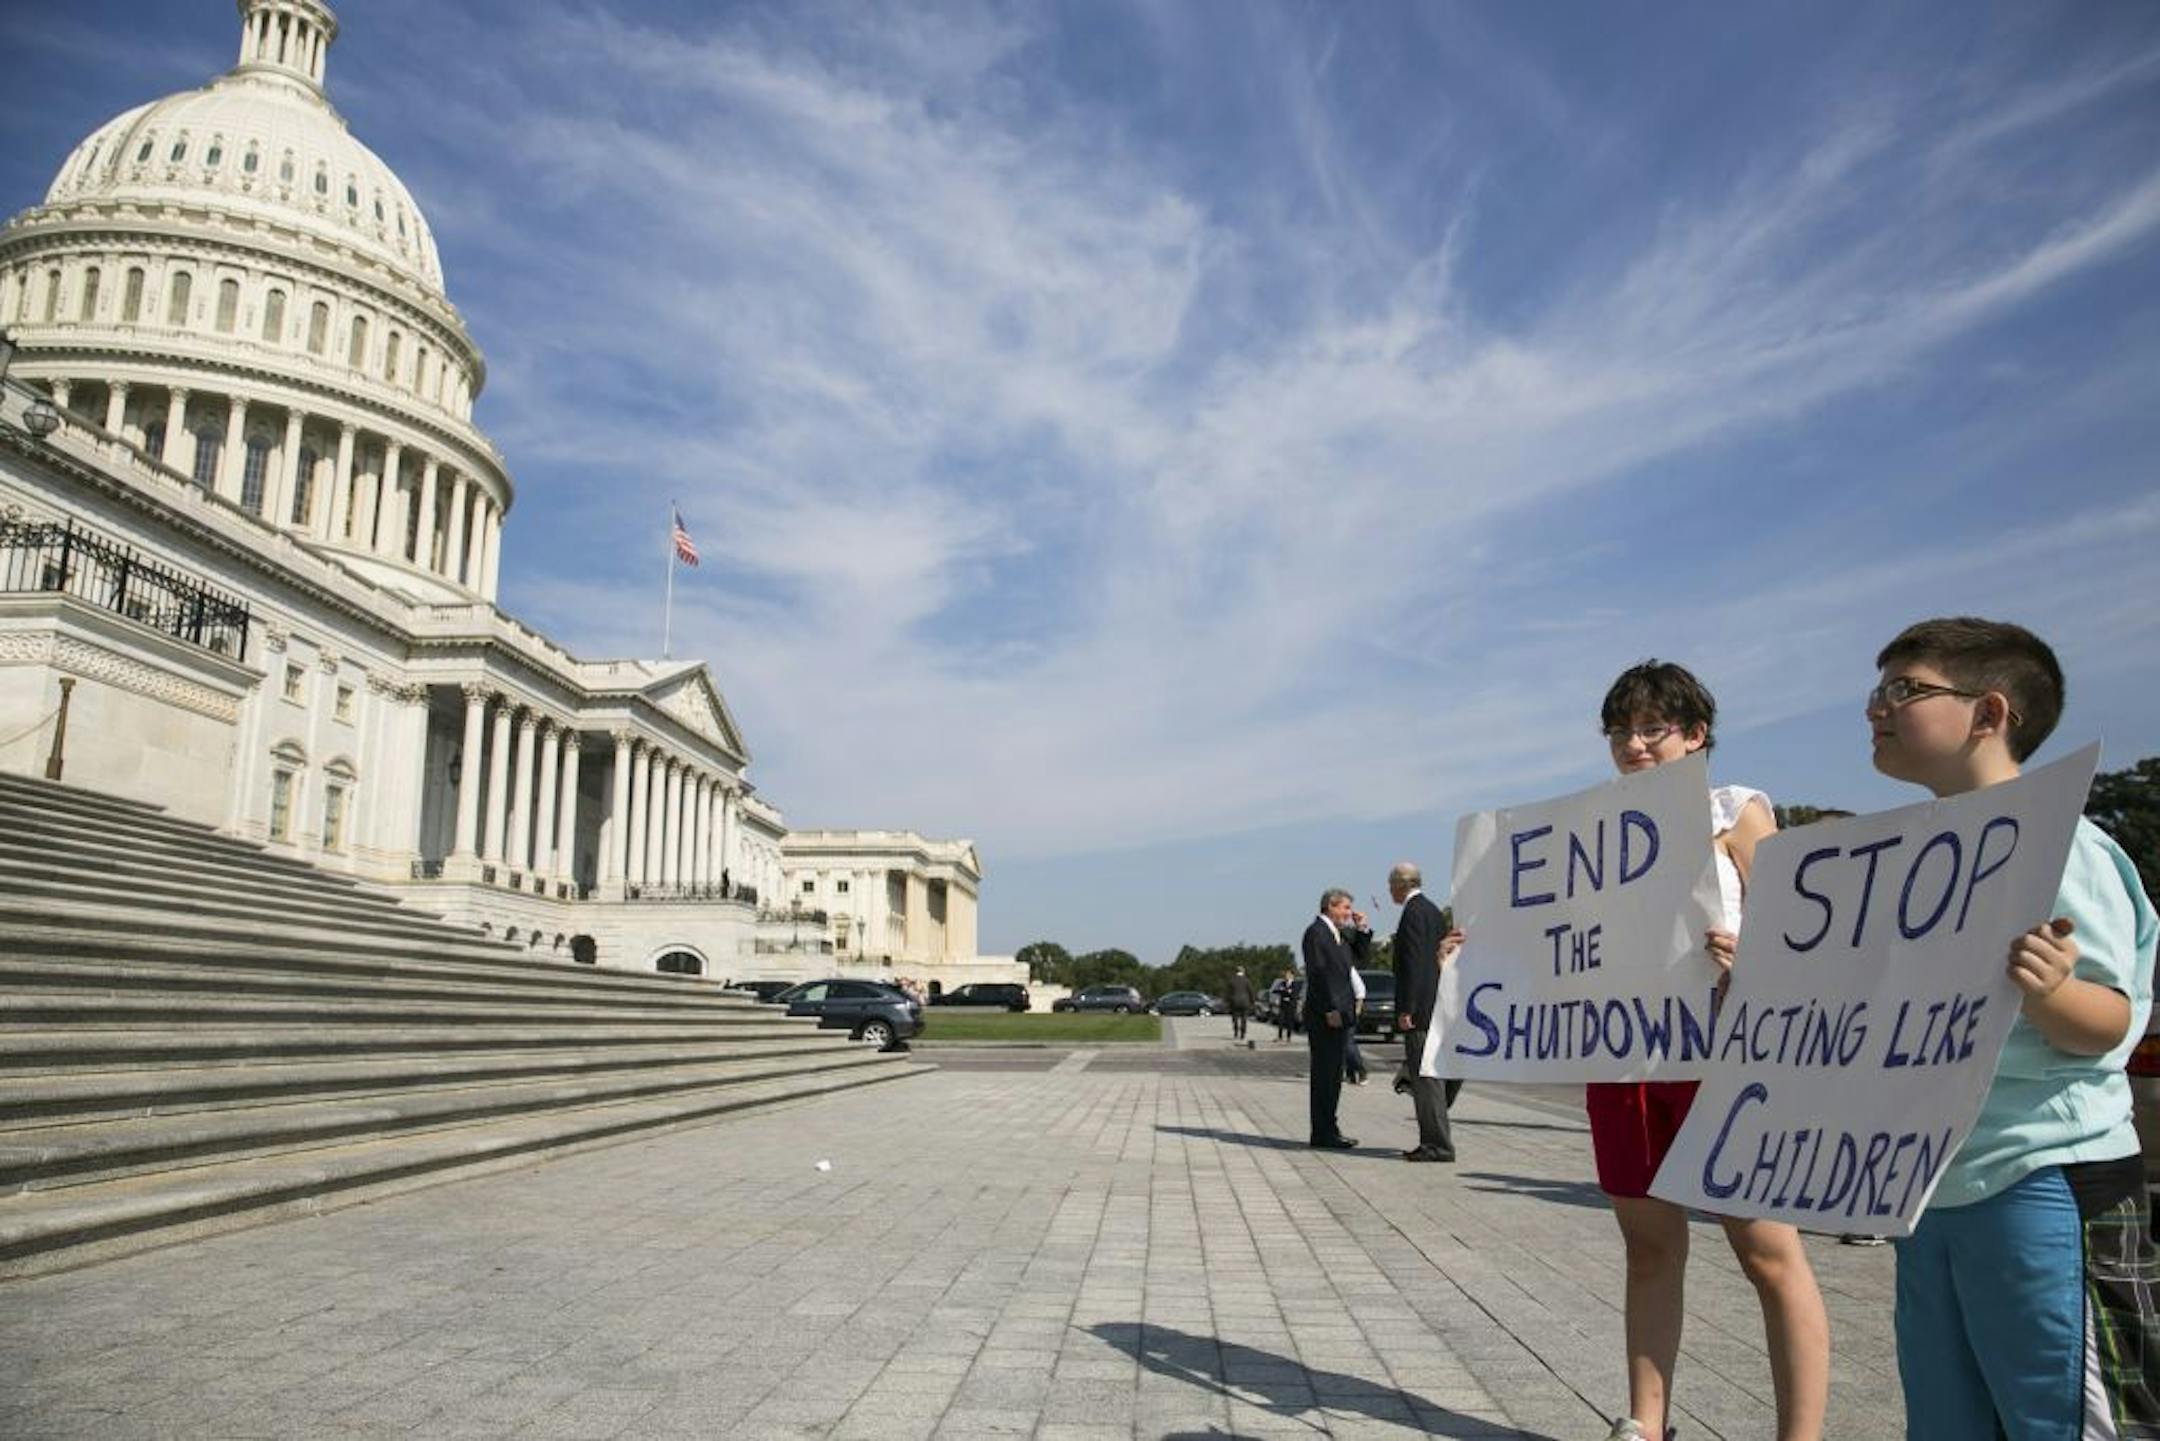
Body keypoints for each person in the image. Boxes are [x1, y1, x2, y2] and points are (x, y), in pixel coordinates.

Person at [1867, 617, 2158, 1439]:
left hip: (2042, 1180)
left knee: (2055, 1414)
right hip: (1931, 1187)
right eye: (1877, 690)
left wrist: (2050, 993)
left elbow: (2108, 1021)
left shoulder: (2065, 843)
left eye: (1904, 689)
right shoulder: (1911, 859)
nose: (1875, 709)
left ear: (1990, 712)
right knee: (1948, 1415)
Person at [1586, 661, 1829, 1441]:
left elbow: (1802, 926)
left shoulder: (1736, 808)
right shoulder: (1590, 830)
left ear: (1695, 735)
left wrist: (1749, 958)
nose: (1635, 743)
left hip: (1726, 1055)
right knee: (1648, 1245)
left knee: (1765, 1250)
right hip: (1626, 1057)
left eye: (1654, 727)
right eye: (1622, 729)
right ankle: (1645, 1422)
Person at [1388, 862, 1464, 1162]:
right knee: (1430, 1075)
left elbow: (1414, 965)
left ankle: (1437, 1145)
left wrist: (1408, 1007)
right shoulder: (1433, 911)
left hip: (1421, 1008)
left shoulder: (1412, 913)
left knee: (1426, 1077)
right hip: (1436, 1003)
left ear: (1399, 885)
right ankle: (1436, 1137)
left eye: (1390, 884)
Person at [1301, 889, 1369, 1149]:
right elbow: (1318, 973)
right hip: (1326, 1016)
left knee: (1333, 1075)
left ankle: (1329, 1128)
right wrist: (1331, 1009)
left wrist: (1361, 929)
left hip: (1341, 1014)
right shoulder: (1317, 933)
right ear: (1331, 906)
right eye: (1345, 908)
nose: (1349, 913)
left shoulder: (1337, 934)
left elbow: (1359, 959)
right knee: (1325, 1075)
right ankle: (1322, 1132)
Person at [1344, 963, 1370, 1085]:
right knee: (1341, 1044)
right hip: (1336, 1010)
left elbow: (1360, 990)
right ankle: (1350, 1074)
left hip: (1349, 1009)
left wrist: (1357, 1008)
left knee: (1348, 1043)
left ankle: (1362, 1071)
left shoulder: (1348, 969)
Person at [1226, 966, 1254, 1041]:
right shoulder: (1247, 980)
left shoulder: (1232, 980)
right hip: (1245, 1001)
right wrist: (1252, 1001)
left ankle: (1236, 1032)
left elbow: (1229, 993)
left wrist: (1228, 1002)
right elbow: (1251, 991)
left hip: (1235, 1001)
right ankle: (1243, 1034)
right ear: (1243, 971)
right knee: (1244, 1018)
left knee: (1235, 1017)